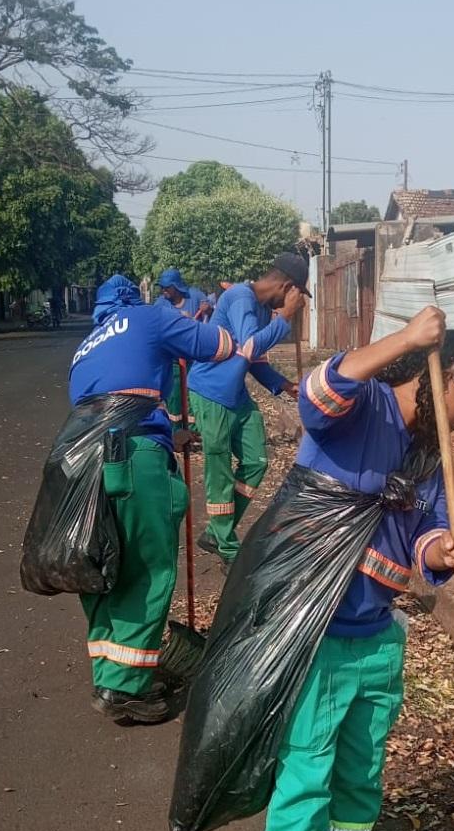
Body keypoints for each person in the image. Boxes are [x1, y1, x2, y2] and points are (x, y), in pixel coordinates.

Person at [251, 307, 454, 831]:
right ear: (440, 375)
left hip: (376, 636)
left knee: (358, 788)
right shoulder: (363, 409)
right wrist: (408, 339)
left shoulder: (428, 456)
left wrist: (450, 547)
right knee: (306, 786)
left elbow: (427, 541)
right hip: (315, 633)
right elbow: (319, 391)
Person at [68, 273, 235, 723]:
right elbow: (220, 345)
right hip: (134, 457)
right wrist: (198, 318)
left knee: (107, 567)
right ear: (134, 300)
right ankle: (125, 690)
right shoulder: (147, 319)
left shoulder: (86, 346)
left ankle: (111, 674)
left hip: (84, 466)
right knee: (146, 567)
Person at [187, 253, 308, 566]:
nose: (294, 301)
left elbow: (253, 360)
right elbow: (251, 345)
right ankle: (228, 549)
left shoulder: (264, 309)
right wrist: (286, 318)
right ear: (287, 286)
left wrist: (285, 385)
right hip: (212, 392)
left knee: (256, 461)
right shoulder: (240, 296)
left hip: (236, 394)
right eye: (295, 295)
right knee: (220, 471)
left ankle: (217, 532)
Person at [155, 268, 213, 423]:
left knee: (194, 392)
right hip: (173, 358)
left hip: (195, 358)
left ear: (176, 286)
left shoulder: (195, 296)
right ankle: (177, 431)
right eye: (162, 287)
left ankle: (194, 431)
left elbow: (210, 311)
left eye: (167, 287)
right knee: (174, 394)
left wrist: (209, 310)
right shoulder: (160, 304)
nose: (163, 290)